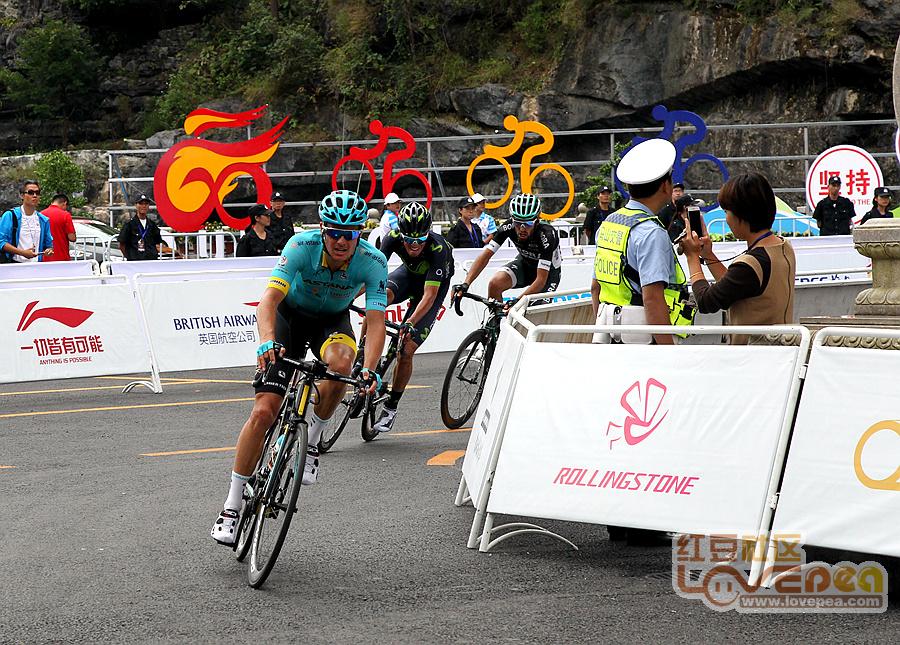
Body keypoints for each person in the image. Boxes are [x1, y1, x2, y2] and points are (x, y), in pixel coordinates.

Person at [210, 189, 388, 545]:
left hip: (331, 322)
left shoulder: (373, 261)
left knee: (342, 365)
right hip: (288, 319)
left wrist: (370, 369)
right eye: (334, 232)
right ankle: (231, 505)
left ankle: (312, 444)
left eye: (349, 234)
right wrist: (266, 340)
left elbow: (376, 320)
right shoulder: (300, 246)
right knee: (264, 412)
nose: (341, 241)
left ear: (360, 233)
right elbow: (268, 300)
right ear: (322, 230)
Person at [590, 138, 695, 346]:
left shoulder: (610, 223)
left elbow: (596, 287)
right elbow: (653, 299)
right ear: (665, 186)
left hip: (609, 335)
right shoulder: (651, 233)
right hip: (643, 341)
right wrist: (669, 351)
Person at [681, 172, 795, 345]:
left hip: (753, 355)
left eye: (727, 212)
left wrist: (692, 257)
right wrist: (708, 254)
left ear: (743, 215)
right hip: (782, 350)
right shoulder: (783, 246)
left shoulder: (751, 264)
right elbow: (735, 287)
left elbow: (706, 302)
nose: (726, 219)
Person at [371, 202, 454, 433]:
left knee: (406, 350)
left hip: (432, 288)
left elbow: (429, 296)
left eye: (420, 240)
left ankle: (391, 408)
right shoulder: (392, 237)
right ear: (401, 234)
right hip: (408, 275)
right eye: (409, 240)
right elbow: (373, 275)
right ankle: (361, 354)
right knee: (378, 299)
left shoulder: (438, 248)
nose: (414, 245)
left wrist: (409, 322)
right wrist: (350, 295)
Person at [454, 192, 561, 306]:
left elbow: (541, 280)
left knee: (531, 310)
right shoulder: (507, 227)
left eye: (528, 223)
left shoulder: (547, 235)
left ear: (537, 220)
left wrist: (517, 302)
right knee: (495, 284)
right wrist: (466, 284)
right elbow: (485, 256)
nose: (522, 229)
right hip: (525, 265)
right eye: (518, 223)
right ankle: (496, 317)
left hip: (548, 274)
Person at [0, 180, 54, 263]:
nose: (35, 195)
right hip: (14, 264)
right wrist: (22, 253)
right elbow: (1, 242)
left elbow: (48, 245)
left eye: (37, 193)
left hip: (36, 265)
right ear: (22, 195)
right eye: (30, 192)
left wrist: (49, 250)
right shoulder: (10, 215)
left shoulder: (43, 220)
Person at [117, 194, 165, 261]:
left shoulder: (152, 225)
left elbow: (157, 242)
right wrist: (130, 257)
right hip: (135, 261)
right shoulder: (129, 225)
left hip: (151, 260)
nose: (143, 206)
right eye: (141, 203)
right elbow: (122, 244)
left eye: (146, 204)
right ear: (136, 205)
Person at [41, 194, 76, 262]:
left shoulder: (41, 214)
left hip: (44, 257)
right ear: (64, 203)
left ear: (52, 202)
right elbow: (72, 238)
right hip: (61, 257)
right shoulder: (65, 215)